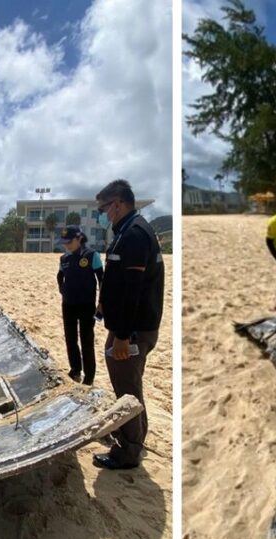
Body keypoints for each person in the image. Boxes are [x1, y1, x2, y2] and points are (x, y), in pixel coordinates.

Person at [92, 179, 164, 471]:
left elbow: (132, 289)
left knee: (128, 389)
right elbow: (118, 279)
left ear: (118, 204)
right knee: (128, 383)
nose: (103, 213)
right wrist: (104, 303)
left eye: (104, 208)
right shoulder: (127, 231)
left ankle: (129, 450)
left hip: (132, 330)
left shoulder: (134, 234)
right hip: (128, 325)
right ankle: (132, 436)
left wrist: (122, 336)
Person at [57, 225, 104, 385]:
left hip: (86, 305)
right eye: (64, 242)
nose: (67, 245)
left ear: (78, 238)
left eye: (69, 241)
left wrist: (101, 303)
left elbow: (101, 279)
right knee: (70, 338)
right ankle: (75, 369)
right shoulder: (64, 258)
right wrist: (62, 291)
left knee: (86, 340)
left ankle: (89, 376)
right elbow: (60, 276)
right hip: (68, 304)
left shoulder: (92, 255)